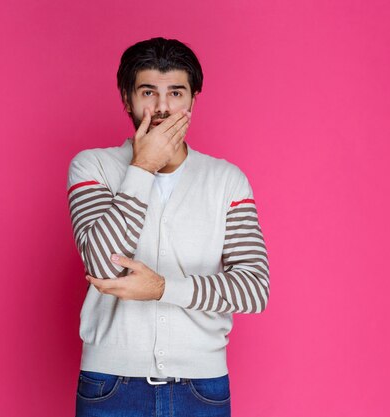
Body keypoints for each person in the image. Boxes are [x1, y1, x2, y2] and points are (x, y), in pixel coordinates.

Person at [66, 37, 270, 417]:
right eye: (148, 92)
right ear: (127, 99)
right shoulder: (92, 167)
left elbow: (254, 290)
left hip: (202, 386)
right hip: (109, 383)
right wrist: (142, 168)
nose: (162, 107)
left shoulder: (226, 180)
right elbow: (102, 266)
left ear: (193, 100)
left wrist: (162, 289)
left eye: (176, 92)